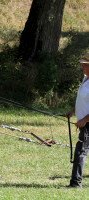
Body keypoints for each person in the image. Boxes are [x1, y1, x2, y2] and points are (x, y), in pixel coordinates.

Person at [67, 53, 89, 188]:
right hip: (84, 124)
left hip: (88, 125)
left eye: (85, 65)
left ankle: (76, 183)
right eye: (83, 64)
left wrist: (85, 120)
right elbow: (82, 100)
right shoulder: (85, 79)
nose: (82, 67)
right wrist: (73, 111)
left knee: (81, 151)